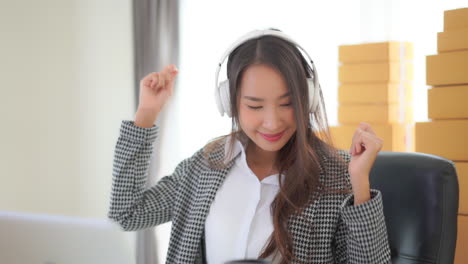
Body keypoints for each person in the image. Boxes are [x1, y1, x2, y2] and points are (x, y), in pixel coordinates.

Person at [108, 29, 391, 264]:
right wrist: (146, 114)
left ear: (309, 98)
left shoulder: (334, 174)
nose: (272, 122)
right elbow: (127, 213)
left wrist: (359, 184)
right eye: (255, 105)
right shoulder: (205, 166)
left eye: (287, 103)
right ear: (229, 103)